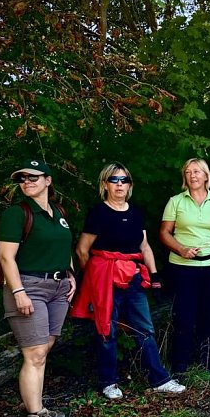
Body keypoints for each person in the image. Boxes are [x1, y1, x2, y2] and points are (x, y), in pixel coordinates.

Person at [72, 163, 186, 400]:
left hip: (132, 278)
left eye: (124, 180)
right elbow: (83, 250)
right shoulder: (98, 213)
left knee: (144, 329)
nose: (120, 184)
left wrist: (154, 276)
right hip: (105, 279)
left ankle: (160, 379)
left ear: (130, 185)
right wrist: (94, 278)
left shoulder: (135, 212)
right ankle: (109, 382)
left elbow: (144, 246)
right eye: (114, 180)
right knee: (107, 329)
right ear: (105, 184)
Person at [0, 159, 76, 417]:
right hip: (29, 285)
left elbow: (63, 245)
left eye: (33, 177)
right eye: (22, 179)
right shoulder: (16, 214)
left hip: (58, 287)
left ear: (48, 180)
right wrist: (18, 292)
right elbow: (6, 257)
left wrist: (70, 275)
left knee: (45, 347)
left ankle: (35, 405)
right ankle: (36, 416)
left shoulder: (58, 212)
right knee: (35, 354)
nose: (27, 182)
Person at [159, 158, 210, 375]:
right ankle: (180, 363)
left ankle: (205, 361)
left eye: (197, 171)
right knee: (184, 314)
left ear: (206, 176)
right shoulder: (176, 202)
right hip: (183, 267)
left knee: (207, 314)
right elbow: (164, 233)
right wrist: (181, 249)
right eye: (189, 172)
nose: (193, 176)